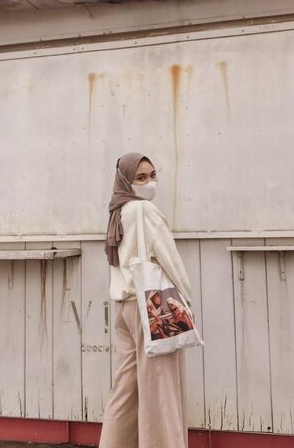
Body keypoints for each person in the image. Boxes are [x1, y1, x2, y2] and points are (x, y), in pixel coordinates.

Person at [99, 152, 192, 448]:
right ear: (127, 180)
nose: (150, 182)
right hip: (153, 306)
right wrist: (187, 299)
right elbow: (169, 259)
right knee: (160, 393)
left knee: (125, 391)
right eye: (141, 177)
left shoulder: (118, 211)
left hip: (125, 307)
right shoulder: (144, 210)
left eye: (152, 175)